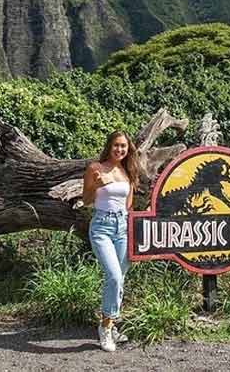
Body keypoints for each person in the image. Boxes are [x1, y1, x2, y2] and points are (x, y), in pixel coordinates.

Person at [82, 131, 138, 352]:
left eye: (123, 146)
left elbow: (129, 205)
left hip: (123, 227)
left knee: (119, 278)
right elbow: (86, 200)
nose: (120, 150)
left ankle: (111, 324)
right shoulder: (95, 168)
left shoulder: (128, 171)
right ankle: (105, 328)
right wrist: (95, 186)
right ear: (109, 146)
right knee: (114, 276)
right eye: (116, 145)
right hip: (101, 227)